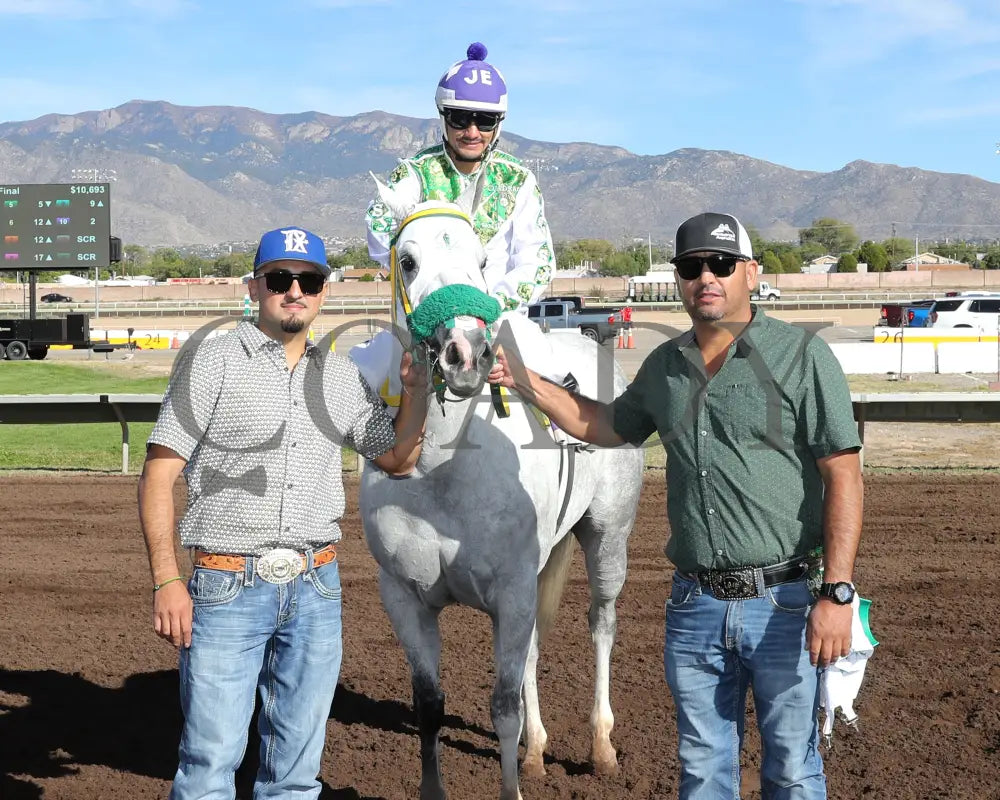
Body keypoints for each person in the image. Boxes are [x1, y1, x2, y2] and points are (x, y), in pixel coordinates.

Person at [489, 212, 864, 799]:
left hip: (787, 604)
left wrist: (837, 593)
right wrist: (522, 380)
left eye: (721, 264)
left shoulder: (801, 358)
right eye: (692, 267)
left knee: (792, 771)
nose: (706, 277)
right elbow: (606, 424)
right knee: (703, 772)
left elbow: (844, 475)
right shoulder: (665, 368)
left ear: (751, 272)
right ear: (679, 280)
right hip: (696, 608)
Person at [138, 225, 427, 799]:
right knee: (208, 768)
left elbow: (396, 458)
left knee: (295, 776)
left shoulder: (341, 378)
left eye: (309, 280)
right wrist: (167, 580)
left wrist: (415, 393)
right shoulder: (210, 361)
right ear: (255, 288)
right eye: (280, 279)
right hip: (224, 585)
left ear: (324, 292)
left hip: (316, 587)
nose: (294, 291)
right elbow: (158, 476)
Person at [355, 42, 558, 400]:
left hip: (499, 315)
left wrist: (485, 308)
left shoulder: (520, 180)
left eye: (485, 121)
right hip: (426, 318)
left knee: (545, 362)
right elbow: (379, 238)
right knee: (364, 374)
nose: (472, 131)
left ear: (499, 124)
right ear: (443, 116)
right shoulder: (413, 174)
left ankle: (567, 437)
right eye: (460, 118)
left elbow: (538, 264)